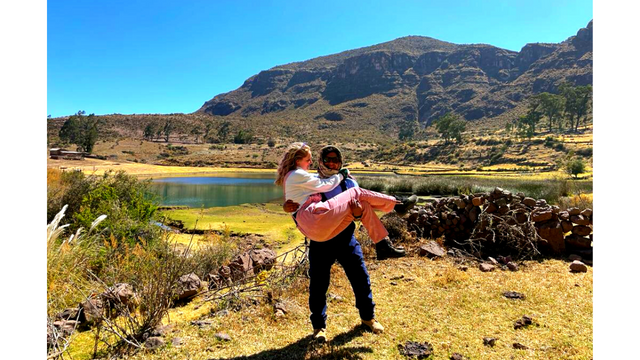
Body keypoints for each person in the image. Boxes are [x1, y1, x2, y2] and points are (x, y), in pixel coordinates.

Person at [275, 142, 417, 340]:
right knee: (318, 285)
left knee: (360, 278)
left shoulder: (348, 182)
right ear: (320, 162)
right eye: (328, 160)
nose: (332, 164)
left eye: (336, 160)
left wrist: (358, 213)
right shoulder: (312, 179)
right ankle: (319, 328)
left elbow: (360, 212)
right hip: (322, 240)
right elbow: (299, 199)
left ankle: (369, 318)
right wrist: (286, 206)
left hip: (344, 237)